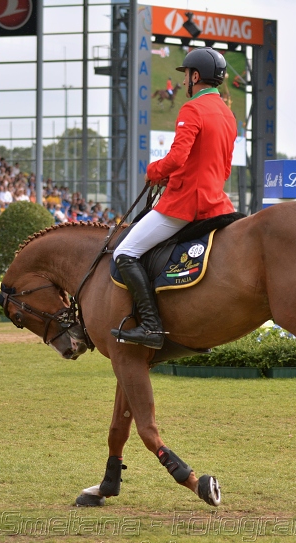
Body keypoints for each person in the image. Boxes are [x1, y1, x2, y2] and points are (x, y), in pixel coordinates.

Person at [110, 47, 237, 349]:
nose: (183, 83)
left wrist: (155, 171)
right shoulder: (228, 115)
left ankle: (151, 327)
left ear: (195, 76)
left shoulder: (192, 109)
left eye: (186, 77)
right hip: (217, 202)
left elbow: (178, 157)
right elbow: (225, 169)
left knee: (124, 252)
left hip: (184, 204)